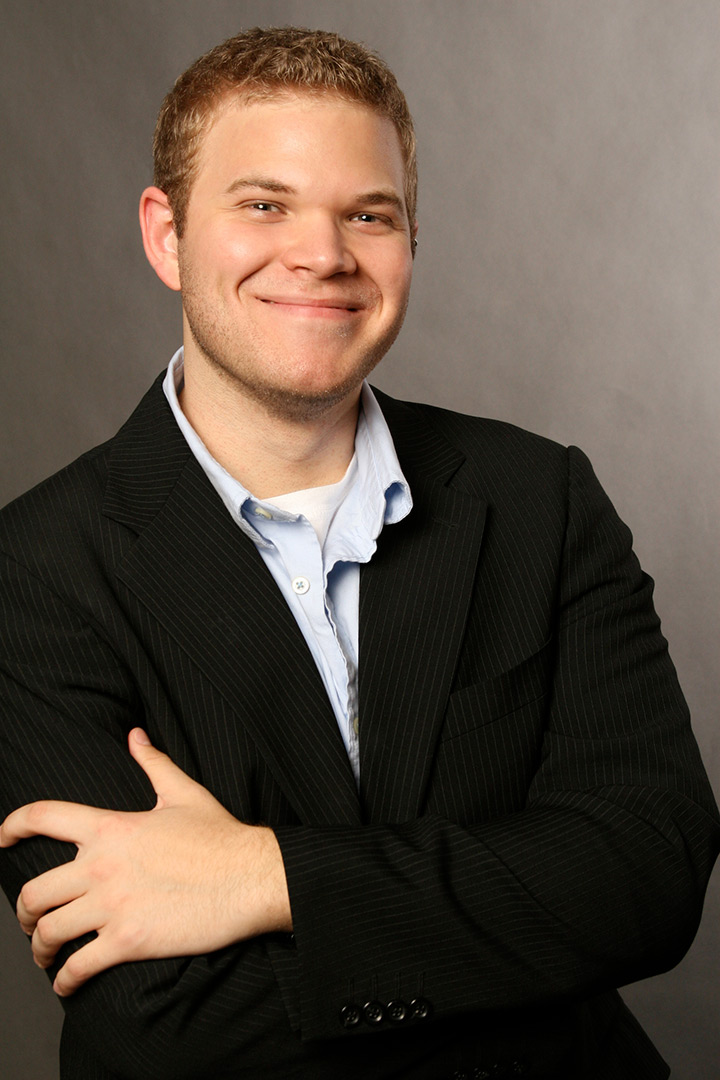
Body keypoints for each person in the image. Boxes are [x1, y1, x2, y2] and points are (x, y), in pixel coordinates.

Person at [0, 25, 718, 1080]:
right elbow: (164, 1022)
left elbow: (649, 874)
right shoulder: (31, 572)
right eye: (264, 204)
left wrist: (268, 876)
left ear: (410, 240)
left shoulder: (537, 498)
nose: (323, 254)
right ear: (167, 236)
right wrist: (524, 938)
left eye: (367, 214)